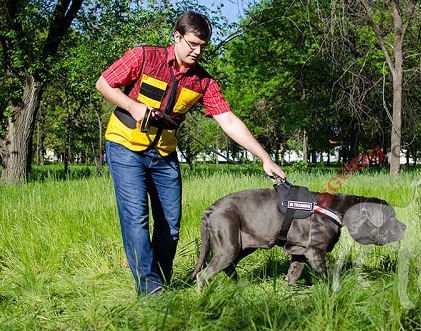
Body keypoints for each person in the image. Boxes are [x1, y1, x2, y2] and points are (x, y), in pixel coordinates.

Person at [95, 11, 285, 296]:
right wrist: (133, 106)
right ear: (177, 36)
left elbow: (228, 120)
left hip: (163, 154)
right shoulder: (144, 57)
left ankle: (159, 279)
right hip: (125, 147)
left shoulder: (203, 82)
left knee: (170, 226)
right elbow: (104, 83)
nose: (198, 51)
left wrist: (264, 157)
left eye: (203, 47)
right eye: (193, 44)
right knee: (136, 219)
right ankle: (151, 292)